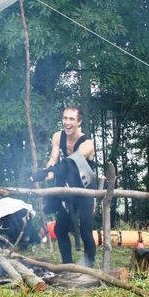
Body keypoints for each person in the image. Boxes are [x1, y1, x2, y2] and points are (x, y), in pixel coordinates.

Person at [33, 106, 97, 267]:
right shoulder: (57, 136)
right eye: (65, 118)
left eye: (72, 119)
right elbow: (54, 159)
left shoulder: (87, 143)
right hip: (69, 190)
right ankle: (68, 265)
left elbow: (71, 162)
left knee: (85, 231)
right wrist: (45, 172)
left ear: (79, 122)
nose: (67, 122)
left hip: (85, 190)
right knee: (60, 229)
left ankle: (89, 265)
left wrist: (50, 173)